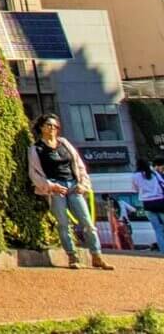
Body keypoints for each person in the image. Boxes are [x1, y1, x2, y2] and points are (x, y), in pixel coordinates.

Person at [28, 113, 111, 270]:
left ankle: (96, 255)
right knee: (63, 224)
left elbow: (78, 164)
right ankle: (72, 256)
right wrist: (49, 186)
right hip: (55, 188)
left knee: (87, 222)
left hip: (73, 184)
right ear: (41, 127)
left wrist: (83, 184)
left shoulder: (64, 143)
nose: (52, 128)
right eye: (48, 125)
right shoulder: (36, 149)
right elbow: (34, 173)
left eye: (55, 126)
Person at [134, 159, 164, 252]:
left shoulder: (135, 176)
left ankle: (163, 251)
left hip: (147, 204)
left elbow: (135, 189)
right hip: (160, 202)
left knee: (157, 230)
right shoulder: (154, 174)